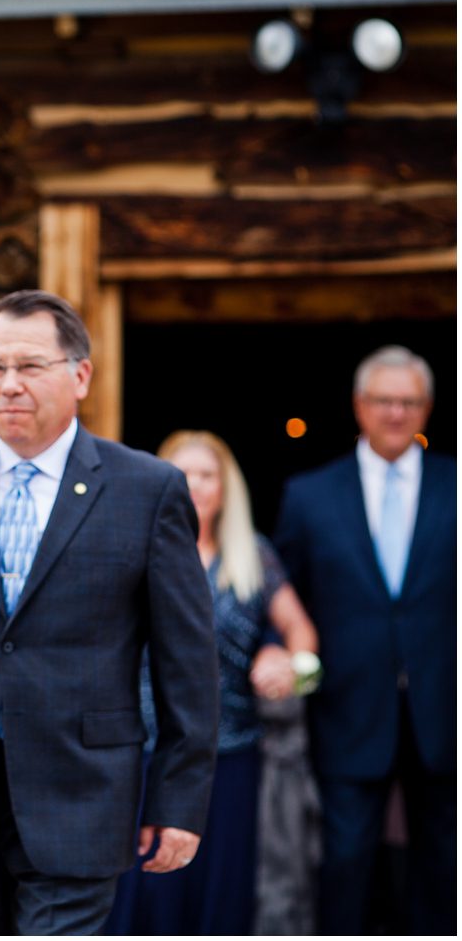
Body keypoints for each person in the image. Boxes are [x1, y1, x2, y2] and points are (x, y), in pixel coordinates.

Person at [0, 289, 219, 935]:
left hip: (83, 794)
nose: (9, 384)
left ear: (80, 375)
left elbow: (188, 665)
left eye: (30, 366)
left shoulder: (148, 489)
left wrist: (179, 802)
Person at [106, 429, 320, 935]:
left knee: (218, 891)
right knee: (142, 891)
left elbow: (303, 634)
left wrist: (290, 664)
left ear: (227, 488)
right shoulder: (131, 547)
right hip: (143, 751)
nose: (195, 484)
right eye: (184, 473)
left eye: (208, 474)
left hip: (231, 757)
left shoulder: (253, 555)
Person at [273, 344, 456, 935]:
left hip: (444, 711)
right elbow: (285, 597)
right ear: (359, 406)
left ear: (427, 408)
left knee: (444, 868)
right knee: (345, 863)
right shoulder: (309, 495)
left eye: (409, 402)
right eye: (384, 400)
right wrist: (279, 650)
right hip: (347, 710)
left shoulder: (456, 484)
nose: (396, 413)